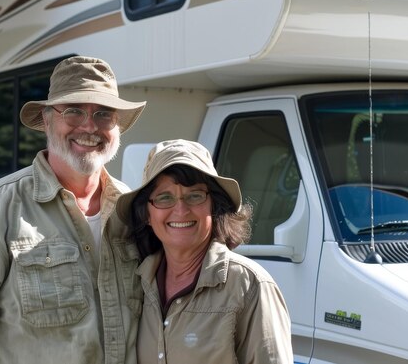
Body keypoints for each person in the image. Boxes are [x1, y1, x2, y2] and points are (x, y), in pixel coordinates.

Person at [0, 56, 146, 364]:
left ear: (117, 126)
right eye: (74, 111)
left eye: (104, 114)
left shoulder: (135, 212)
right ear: (47, 119)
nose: (90, 126)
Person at [116, 139, 293, 364]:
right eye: (164, 197)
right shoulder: (137, 283)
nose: (180, 209)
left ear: (214, 206)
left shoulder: (249, 286)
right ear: (147, 215)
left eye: (195, 195)